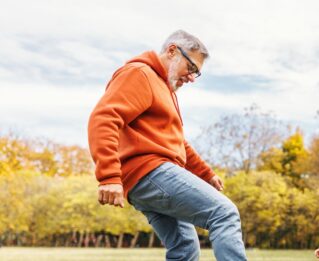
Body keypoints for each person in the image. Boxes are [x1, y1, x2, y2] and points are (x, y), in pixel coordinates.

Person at [88, 30, 247, 261]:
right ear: (172, 51)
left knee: (185, 246)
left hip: (147, 178)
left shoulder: (164, 88)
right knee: (223, 213)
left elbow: (176, 141)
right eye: (191, 68)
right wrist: (109, 176)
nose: (192, 78)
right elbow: (104, 119)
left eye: (197, 74)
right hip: (150, 171)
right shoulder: (140, 74)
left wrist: (205, 173)